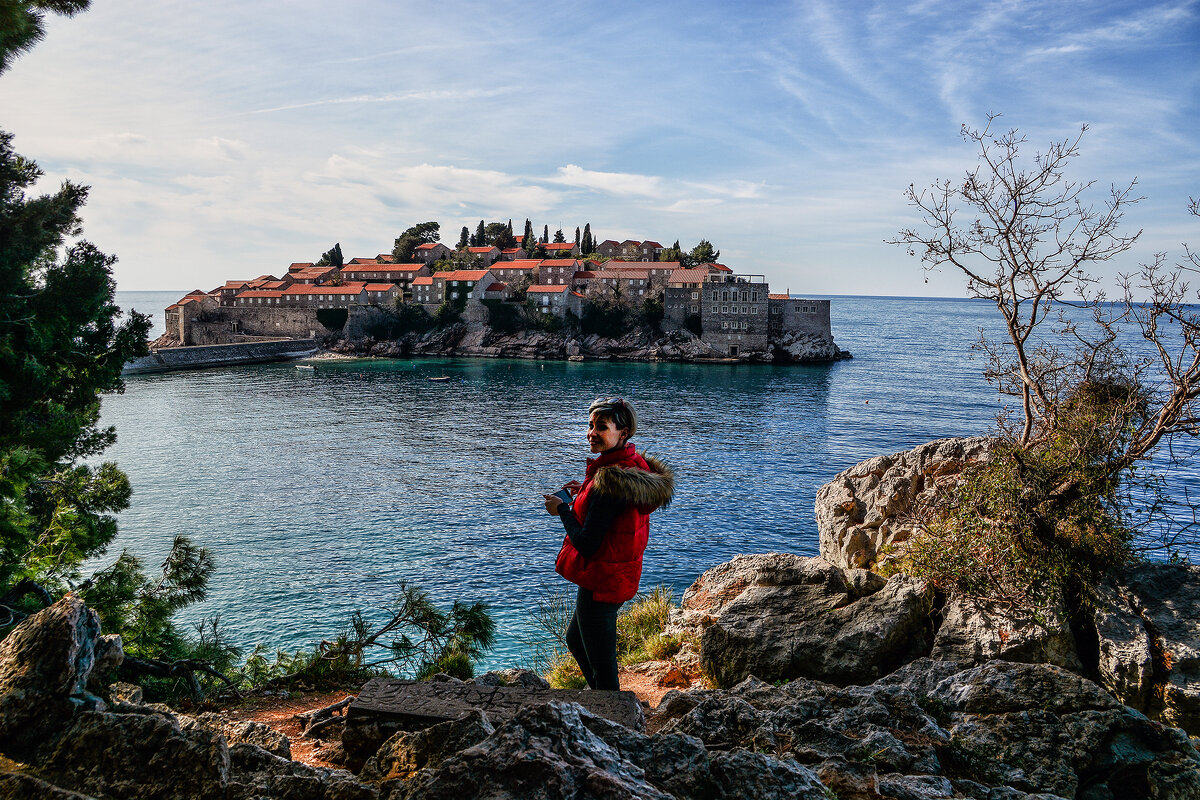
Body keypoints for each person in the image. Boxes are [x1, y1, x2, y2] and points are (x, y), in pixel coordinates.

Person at [542, 397, 674, 690]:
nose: (591, 433)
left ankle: (613, 716)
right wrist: (585, 489)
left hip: (601, 582)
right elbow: (611, 513)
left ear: (623, 433)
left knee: (603, 670)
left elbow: (587, 543)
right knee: (576, 639)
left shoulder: (609, 482)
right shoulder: (631, 466)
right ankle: (602, 700)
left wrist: (561, 509)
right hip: (618, 576)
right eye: (590, 426)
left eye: (601, 427)